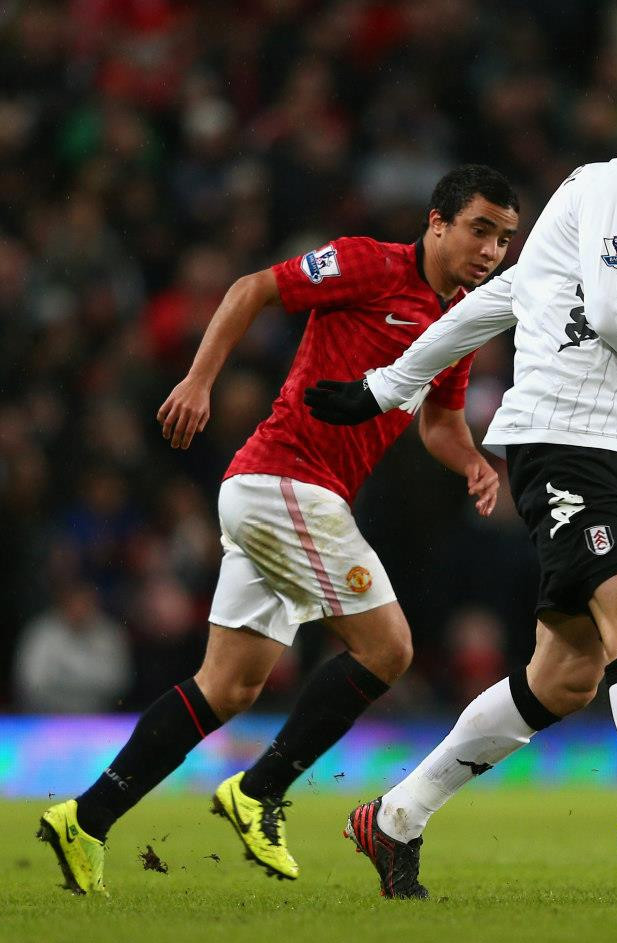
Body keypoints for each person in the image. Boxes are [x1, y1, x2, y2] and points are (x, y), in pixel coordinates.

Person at [305, 87, 617, 899]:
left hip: (613, 455)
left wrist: (388, 387)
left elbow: (498, 298)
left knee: (564, 677)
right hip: (567, 444)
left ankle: (394, 819)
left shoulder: (607, 210)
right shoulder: (612, 191)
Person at [37, 164, 520, 896]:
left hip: (291, 500)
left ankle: (86, 819)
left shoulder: (463, 323)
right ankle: (258, 792)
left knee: (227, 687)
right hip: (284, 483)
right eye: (481, 229)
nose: (492, 251)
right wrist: (199, 379)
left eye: (505, 239)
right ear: (437, 222)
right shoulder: (368, 263)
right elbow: (252, 288)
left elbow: (441, 422)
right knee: (389, 648)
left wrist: (474, 465)